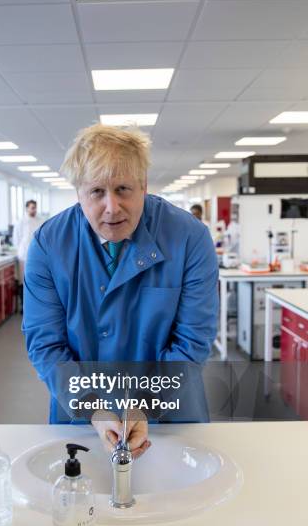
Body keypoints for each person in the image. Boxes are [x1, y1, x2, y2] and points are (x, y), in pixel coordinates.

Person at [23, 124, 218, 459]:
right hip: (82, 418)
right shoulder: (48, 245)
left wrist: (143, 407)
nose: (111, 207)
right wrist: (95, 410)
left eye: (123, 189)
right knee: (81, 503)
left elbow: (193, 340)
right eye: (96, 192)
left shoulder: (189, 239)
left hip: (168, 416)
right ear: (78, 193)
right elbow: (45, 343)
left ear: (143, 186)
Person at [13, 199, 41, 313]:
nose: (34, 210)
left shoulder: (39, 221)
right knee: (23, 281)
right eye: (32, 208)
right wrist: (22, 249)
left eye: (35, 207)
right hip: (24, 256)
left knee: (36, 281)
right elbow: (16, 239)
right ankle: (24, 307)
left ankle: (35, 306)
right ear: (27, 208)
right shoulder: (21, 222)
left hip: (37, 256)